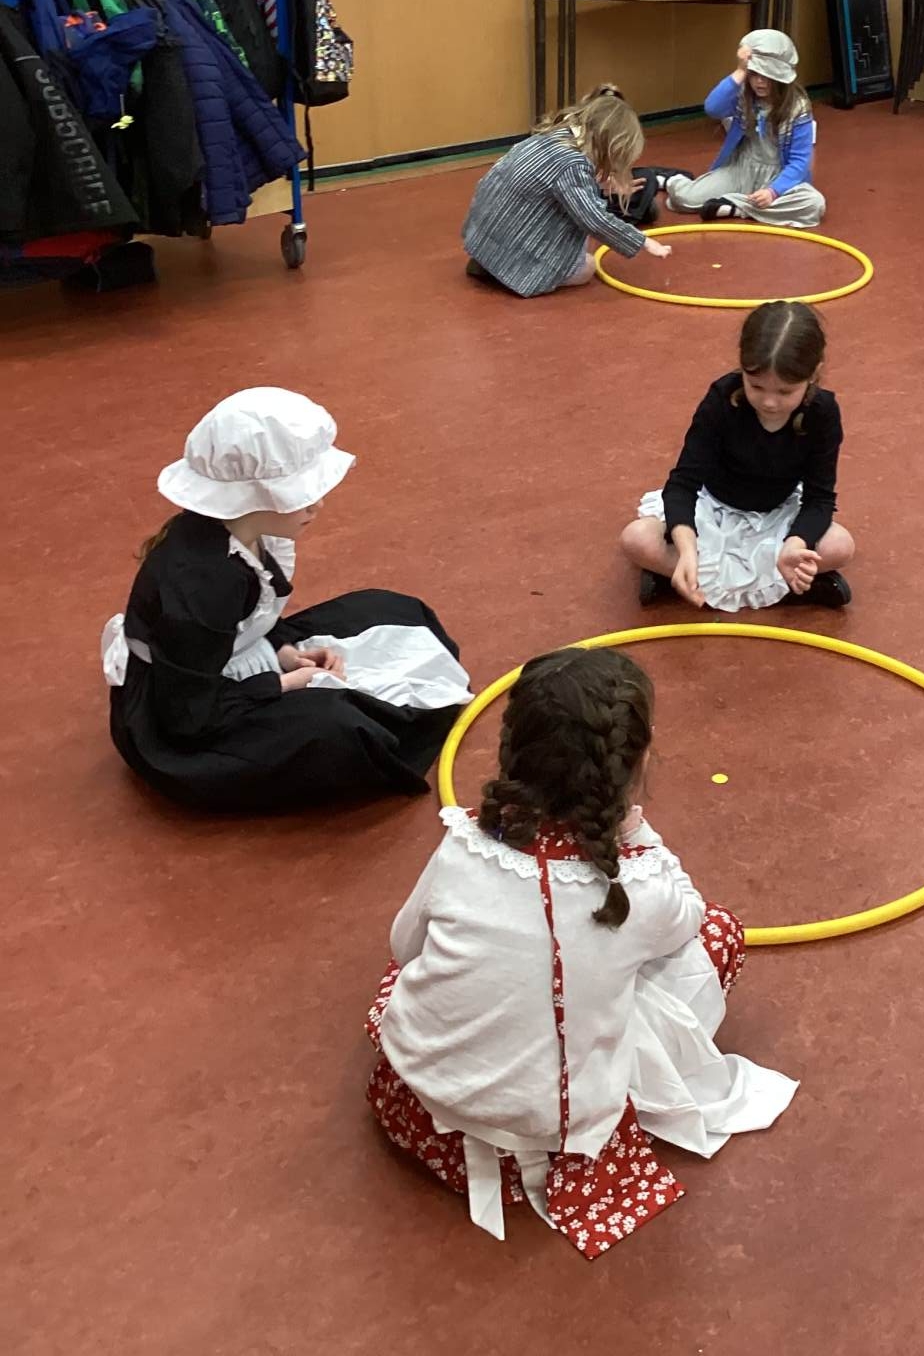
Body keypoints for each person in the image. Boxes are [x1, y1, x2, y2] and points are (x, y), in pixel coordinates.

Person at [365, 647, 797, 1257]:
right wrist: (635, 833)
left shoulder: (465, 842)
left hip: (413, 1107)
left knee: (478, 960)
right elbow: (690, 918)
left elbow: (403, 948)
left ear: (512, 751)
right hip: (539, 1147)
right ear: (636, 763)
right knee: (718, 934)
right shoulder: (636, 887)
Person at [103, 388, 472, 811]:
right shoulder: (204, 584)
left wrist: (283, 652)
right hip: (184, 721)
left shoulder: (241, 535)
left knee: (395, 611)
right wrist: (281, 685)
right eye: (301, 495)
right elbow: (188, 718)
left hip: (222, 662)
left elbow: (244, 623)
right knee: (340, 729)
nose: (318, 506)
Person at [619, 299, 855, 610]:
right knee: (637, 538)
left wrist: (795, 544)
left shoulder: (823, 412)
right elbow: (683, 483)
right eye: (756, 386)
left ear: (813, 374)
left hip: (775, 514)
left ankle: (687, 579)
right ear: (742, 367)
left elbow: (819, 498)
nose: (769, 402)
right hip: (712, 508)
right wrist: (686, 548)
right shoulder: (722, 398)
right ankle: (784, 586)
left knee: (841, 546)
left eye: (785, 391)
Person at [461, 88, 672, 297]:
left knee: (569, 216)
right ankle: (516, 269)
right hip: (513, 248)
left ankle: (492, 261)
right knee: (587, 266)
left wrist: (598, 186)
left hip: (483, 236)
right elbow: (594, 220)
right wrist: (643, 242)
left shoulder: (554, 136)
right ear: (614, 145)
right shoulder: (573, 164)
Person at [664, 29, 824, 227]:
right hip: (740, 169)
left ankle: (736, 206)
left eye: (767, 75)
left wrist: (773, 192)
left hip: (778, 175)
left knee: (814, 204)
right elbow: (712, 108)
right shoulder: (742, 93)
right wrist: (740, 71)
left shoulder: (798, 107)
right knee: (683, 199)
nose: (759, 81)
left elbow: (799, 162)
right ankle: (671, 179)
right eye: (753, 74)